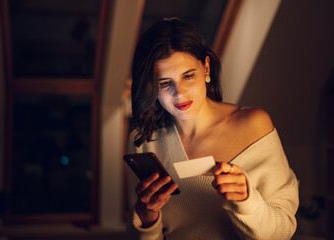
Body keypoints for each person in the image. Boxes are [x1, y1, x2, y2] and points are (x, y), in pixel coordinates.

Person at [126, 18, 299, 240]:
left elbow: (282, 233)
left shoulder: (254, 123)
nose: (179, 93)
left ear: (206, 67)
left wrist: (246, 200)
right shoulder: (143, 142)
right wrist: (146, 217)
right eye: (164, 83)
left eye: (188, 76)